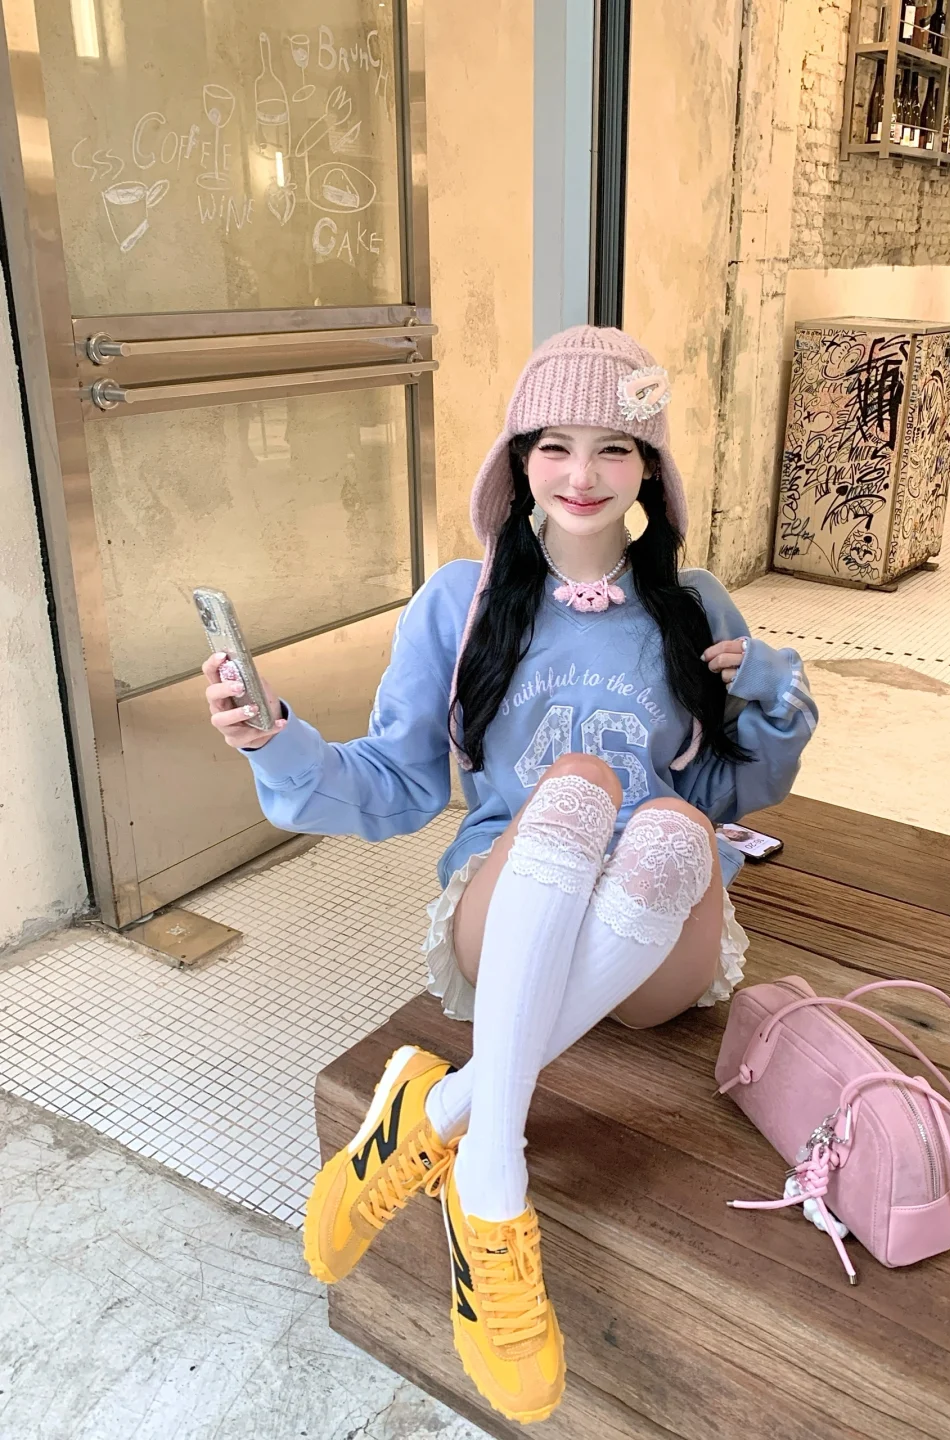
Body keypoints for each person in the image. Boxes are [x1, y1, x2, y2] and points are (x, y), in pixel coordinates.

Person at [202, 325, 817, 1425]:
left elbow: (734, 792)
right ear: (518, 459)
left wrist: (776, 694)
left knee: (676, 825)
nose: (583, 474)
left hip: (653, 944)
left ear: (650, 468)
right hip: (508, 912)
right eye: (554, 446)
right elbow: (394, 783)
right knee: (578, 784)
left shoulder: (696, 607)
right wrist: (275, 741)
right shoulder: (461, 601)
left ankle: (436, 1111)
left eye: (615, 447)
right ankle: (491, 1193)